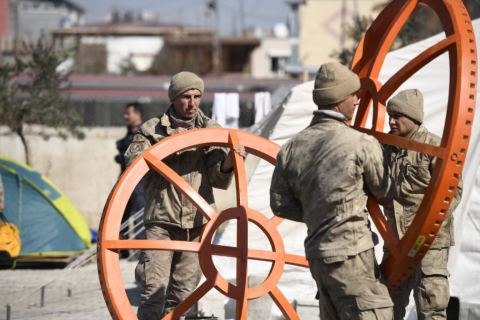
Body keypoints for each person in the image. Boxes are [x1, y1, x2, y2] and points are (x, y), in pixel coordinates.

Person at [270, 62, 395, 319]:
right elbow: (385, 192)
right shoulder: (361, 142)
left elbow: (280, 204)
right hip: (353, 255)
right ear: (339, 99)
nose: (358, 101)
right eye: (353, 95)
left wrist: (319, 210)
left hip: (318, 257)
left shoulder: (291, 147)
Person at [125, 71, 246, 320]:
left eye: (197, 96)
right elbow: (132, 166)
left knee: (183, 296)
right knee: (153, 292)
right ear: (174, 98)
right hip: (162, 222)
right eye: (186, 97)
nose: (192, 103)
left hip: (197, 225)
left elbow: (217, 178)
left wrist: (230, 164)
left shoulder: (212, 131)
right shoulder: (152, 129)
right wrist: (167, 147)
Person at [383, 89, 462, 320]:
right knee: (386, 305)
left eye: (397, 116)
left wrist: (426, 225)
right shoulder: (385, 147)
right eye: (390, 115)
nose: (391, 121)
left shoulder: (435, 148)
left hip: (429, 241)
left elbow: (453, 192)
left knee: (431, 305)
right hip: (395, 240)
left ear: (415, 118)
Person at [115, 102, 145, 253]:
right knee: (122, 216)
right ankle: (123, 249)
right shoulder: (130, 131)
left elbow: (133, 155)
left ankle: (140, 251)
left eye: (129, 113)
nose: (125, 116)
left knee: (139, 216)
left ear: (137, 114)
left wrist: (119, 156)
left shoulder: (142, 132)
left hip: (138, 183)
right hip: (125, 182)